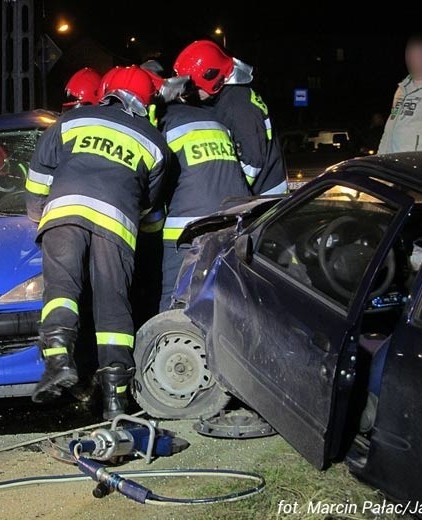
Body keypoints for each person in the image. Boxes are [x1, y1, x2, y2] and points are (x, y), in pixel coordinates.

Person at [25, 65, 172, 419]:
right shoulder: (155, 141)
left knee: (62, 290)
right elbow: (148, 205)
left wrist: (38, 216)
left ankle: (58, 362)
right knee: (113, 307)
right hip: (117, 226)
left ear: (106, 90)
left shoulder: (72, 122)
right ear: (145, 102)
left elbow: (36, 180)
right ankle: (115, 401)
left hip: (64, 214)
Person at [157, 101, 250, 311]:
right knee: (224, 295)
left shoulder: (165, 124)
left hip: (186, 227)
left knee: (174, 296)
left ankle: (167, 338)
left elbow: (157, 179)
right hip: (232, 219)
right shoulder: (215, 120)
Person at [173, 40, 287, 196]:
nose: (192, 94)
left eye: (195, 88)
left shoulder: (237, 105)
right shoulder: (232, 96)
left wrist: (223, 193)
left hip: (262, 200)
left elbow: (251, 163)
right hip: (261, 193)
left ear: (213, 78)